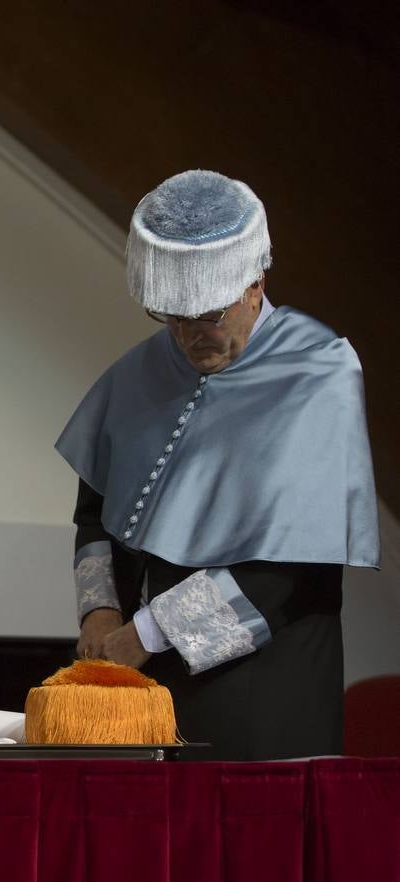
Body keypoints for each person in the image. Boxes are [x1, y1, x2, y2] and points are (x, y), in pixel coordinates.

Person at [56, 169, 378, 760]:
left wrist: (145, 635)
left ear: (255, 284)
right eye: (174, 319)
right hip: (146, 687)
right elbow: (95, 513)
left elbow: (287, 567)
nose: (190, 339)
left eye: (210, 317)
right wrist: (100, 614)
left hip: (266, 694)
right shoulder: (139, 372)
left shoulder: (318, 373)